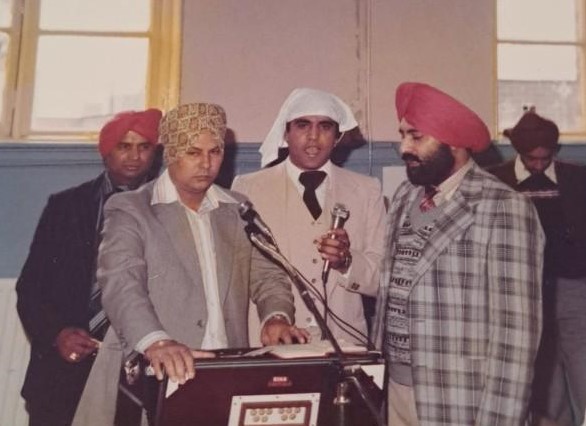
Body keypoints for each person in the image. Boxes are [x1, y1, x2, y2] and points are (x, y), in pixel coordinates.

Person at [72, 102, 306, 425]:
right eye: (193, 152)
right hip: (149, 372)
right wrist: (157, 341)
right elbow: (121, 284)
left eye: (215, 152)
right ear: (171, 153)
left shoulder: (238, 208)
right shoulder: (131, 208)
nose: (206, 164)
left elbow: (268, 273)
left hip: (224, 370)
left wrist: (275, 316)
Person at [372, 82, 544, 426]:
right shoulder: (405, 195)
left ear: (453, 142)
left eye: (416, 137)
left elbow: (516, 336)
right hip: (394, 391)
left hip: (460, 398)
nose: (404, 148)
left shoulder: (504, 207)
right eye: (403, 135)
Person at [16, 108, 163, 426]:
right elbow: (30, 288)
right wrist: (57, 334)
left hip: (135, 365)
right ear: (106, 151)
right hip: (65, 365)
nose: (134, 156)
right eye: (124, 146)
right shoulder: (65, 207)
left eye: (144, 147)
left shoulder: (164, 209)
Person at [232, 88, 386, 347]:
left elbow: (384, 277)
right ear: (286, 132)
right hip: (273, 344)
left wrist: (347, 262)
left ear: (337, 136)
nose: (314, 136)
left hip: (344, 345)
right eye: (303, 125)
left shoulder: (367, 190)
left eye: (325, 126)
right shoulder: (248, 188)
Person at [490, 110, 586, 426]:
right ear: (519, 151)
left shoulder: (578, 179)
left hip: (574, 290)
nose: (539, 165)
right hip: (521, 294)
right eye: (532, 159)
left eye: (546, 158)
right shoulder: (496, 180)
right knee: (545, 382)